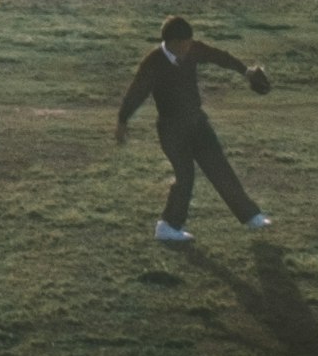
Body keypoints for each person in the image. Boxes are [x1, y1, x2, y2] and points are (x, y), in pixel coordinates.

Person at [114, 14, 274, 243]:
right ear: (172, 42)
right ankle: (168, 226)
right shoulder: (153, 62)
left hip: (197, 122)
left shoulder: (192, 49)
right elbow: (136, 92)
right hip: (170, 128)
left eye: (190, 44)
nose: (189, 49)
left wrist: (245, 71)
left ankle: (251, 216)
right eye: (185, 44)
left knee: (219, 167)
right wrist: (122, 121)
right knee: (185, 176)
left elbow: (219, 57)